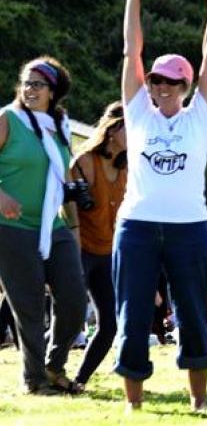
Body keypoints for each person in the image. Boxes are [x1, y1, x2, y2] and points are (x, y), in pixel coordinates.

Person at [114, 0, 207, 413]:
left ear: (187, 86)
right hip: (137, 226)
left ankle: (198, 401)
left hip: (188, 229)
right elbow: (130, 51)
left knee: (194, 315)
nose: (161, 87)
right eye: (156, 80)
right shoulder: (138, 111)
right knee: (133, 316)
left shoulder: (200, 115)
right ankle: (134, 405)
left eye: (172, 82)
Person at [0, 57, 86, 395]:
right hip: (12, 228)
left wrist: (74, 228)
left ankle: (53, 367)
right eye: (25, 82)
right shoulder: (8, 119)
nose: (29, 89)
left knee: (75, 301)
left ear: (54, 91)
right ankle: (33, 381)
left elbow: (63, 180)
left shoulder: (60, 126)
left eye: (38, 84)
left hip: (54, 227)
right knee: (30, 306)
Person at [71, 101, 127, 389]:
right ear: (112, 128)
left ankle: (80, 380)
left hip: (108, 253)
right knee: (69, 317)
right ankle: (46, 371)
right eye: (128, 125)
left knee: (110, 324)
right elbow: (67, 208)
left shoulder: (129, 167)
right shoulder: (84, 162)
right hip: (79, 249)